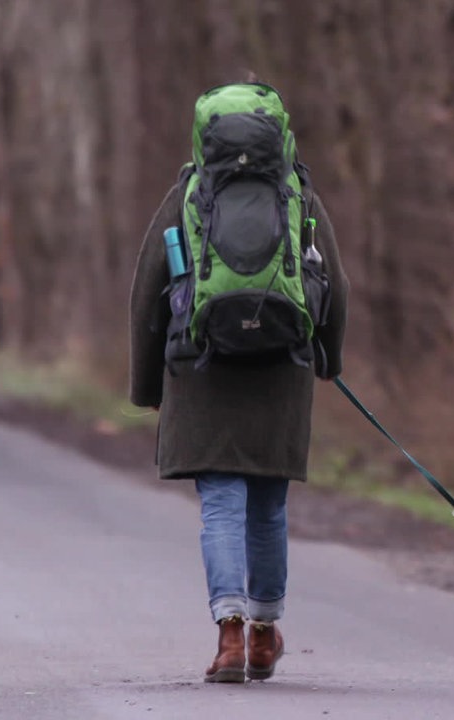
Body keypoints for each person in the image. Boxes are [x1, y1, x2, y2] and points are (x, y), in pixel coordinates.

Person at [127, 86, 349, 683]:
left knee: (221, 506)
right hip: (282, 367)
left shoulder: (190, 194)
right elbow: (337, 288)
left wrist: (148, 386)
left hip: (201, 369)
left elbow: (146, 296)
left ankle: (226, 634)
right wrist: (327, 361)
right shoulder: (297, 193)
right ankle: (261, 634)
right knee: (269, 507)